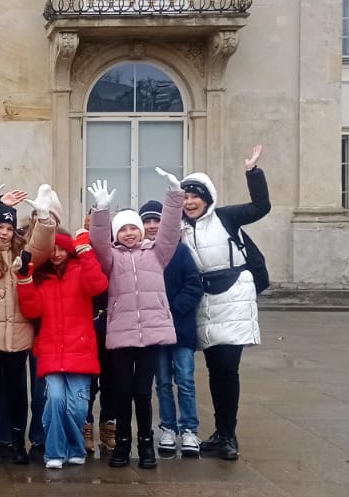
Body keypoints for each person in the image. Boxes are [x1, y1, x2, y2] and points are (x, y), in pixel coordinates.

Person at [87, 170, 185, 470]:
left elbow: (170, 230)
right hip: (121, 333)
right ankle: (122, 444)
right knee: (122, 392)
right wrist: (101, 211)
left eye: (133, 228)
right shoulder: (111, 257)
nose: (129, 233)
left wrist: (174, 196)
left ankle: (145, 444)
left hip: (150, 334)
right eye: (123, 229)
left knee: (143, 392)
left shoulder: (157, 254)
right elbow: (98, 242)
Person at [179, 146, 270, 461]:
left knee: (227, 368)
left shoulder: (226, 217)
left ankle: (229, 434)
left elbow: (261, 206)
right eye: (185, 196)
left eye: (195, 196)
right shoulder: (180, 227)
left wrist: (252, 173)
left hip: (232, 297)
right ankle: (220, 431)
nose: (190, 202)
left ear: (207, 198)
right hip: (203, 301)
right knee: (215, 369)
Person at [0, 170, 57, 465]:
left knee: (18, 390)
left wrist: (44, 218)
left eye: (8, 228)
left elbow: (41, 247)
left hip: (18, 332)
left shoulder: (21, 254)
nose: (3, 233)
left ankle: (18, 443)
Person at [17, 230, 107, 470]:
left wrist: (85, 252)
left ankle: (75, 448)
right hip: (51, 349)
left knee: (77, 406)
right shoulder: (41, 277)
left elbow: (98, 286)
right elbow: (32, 311)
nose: (56, 254)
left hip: (79, 348)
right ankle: (55, 451)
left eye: (61, 249)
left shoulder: (81, 270)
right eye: (52, 250)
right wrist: (24, 280)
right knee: (55, 399)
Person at [138, 201, 204, 458]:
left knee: (185, 381)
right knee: (163, 382)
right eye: (147, 221)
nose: (152, 226)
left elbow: (194, 285)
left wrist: (171, 309)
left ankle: (189, 428)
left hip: (180, 328)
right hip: (156, 332)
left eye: (156, 221)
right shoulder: (141, 252)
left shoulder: (181, 251)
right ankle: (168, 427)